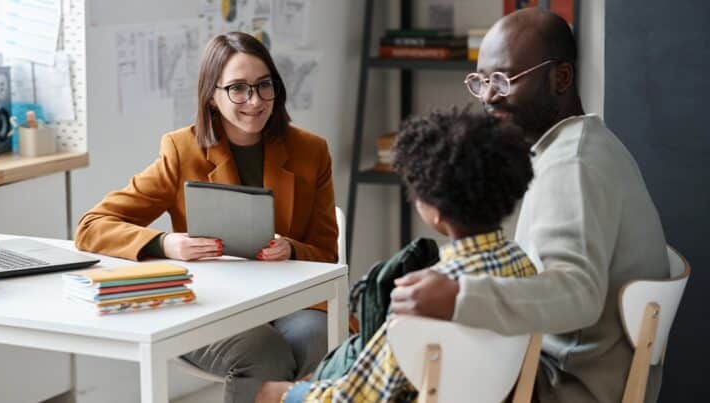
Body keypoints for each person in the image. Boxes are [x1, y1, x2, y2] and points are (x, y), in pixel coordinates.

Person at [388, 9, 669, 403]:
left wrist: (459, 295)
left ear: (561, 78)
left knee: (404, 366)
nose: (487, 96)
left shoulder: (572, 166)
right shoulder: (586, 143)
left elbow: (578, 293)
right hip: (578, 367)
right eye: (481, 81)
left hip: (569, 385)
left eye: (503, 80)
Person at [75, 32, 338, 403]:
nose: (255, 100)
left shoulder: (310, 152)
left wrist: (291, 250)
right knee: (264, 351)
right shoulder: (182, 151)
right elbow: (92, 225)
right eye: (238, 89)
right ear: (211, 96)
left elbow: (327, 252)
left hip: (288, 302)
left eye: (265, 86)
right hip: (210, 303)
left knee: (312, 334)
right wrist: (166, 243)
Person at [256, 109, 538, 402]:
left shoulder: (423, 298)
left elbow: (354, 396)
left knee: (271, 392)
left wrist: (284, 393)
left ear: (435, 211)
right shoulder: (524, 267)